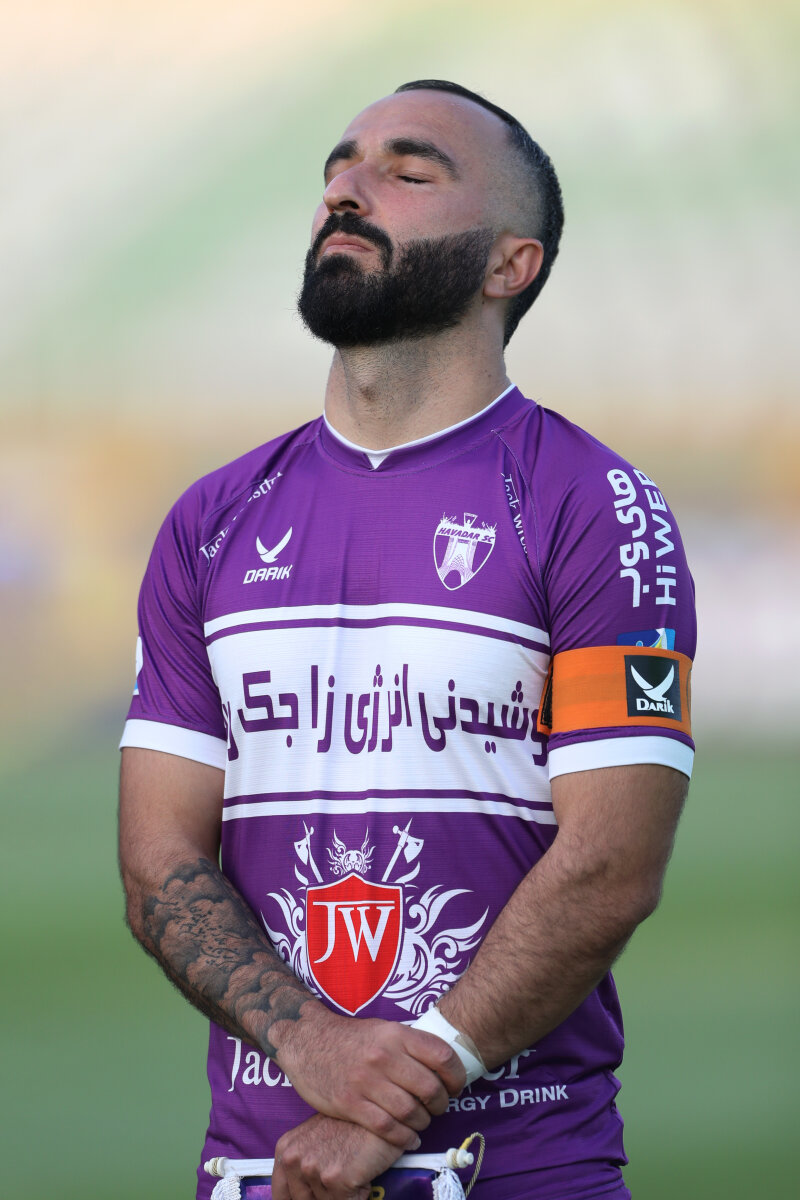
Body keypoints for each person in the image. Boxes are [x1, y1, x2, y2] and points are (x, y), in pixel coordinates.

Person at [119, 79, 696, 1200]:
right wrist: (314, 1048)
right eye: (338, 166)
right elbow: (159, 863)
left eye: (408, 170)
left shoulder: (595, 504)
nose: (348, 188)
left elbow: (610, 868)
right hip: (259, 1172)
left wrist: (387, 1100)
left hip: (515, 1168)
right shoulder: (210, 519)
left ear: (508, 264)